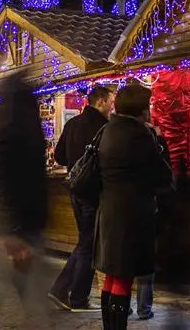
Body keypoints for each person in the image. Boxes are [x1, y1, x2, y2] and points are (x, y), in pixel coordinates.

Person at [93, 83, 173, 330]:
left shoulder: (108, 129)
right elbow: (162, 176)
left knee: (112, 276)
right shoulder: (139, 135)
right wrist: (159, 141)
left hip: (109, 210)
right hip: (131, 214)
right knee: (123, 278)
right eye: (148, 106)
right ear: (141, 109)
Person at [0, 71, 50, 329]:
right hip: (16, 223)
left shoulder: (12, 127)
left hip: (25, 221)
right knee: (18, 286)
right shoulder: (12, 130)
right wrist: (9, 226)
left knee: (20, 285)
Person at [49, 85, 114, 311]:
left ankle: (62, 290)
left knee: (85, 241)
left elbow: (59, 156)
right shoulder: (104, 128)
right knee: (89, 244)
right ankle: (76, 296)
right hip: (93, 192)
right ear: (101, 102)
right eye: (111, 102)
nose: (112, 107)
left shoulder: (72, 123)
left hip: (75, 190)